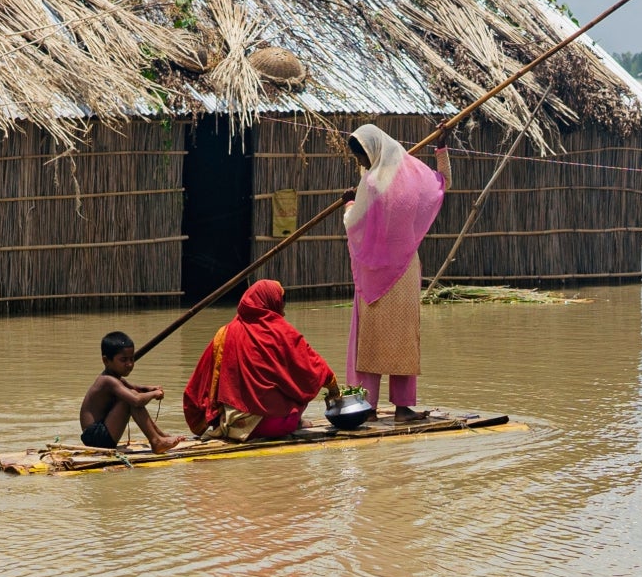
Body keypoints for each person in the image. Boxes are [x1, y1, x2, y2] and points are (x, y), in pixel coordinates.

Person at [344, 123, 449, 420]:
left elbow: (354, 225)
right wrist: (441, 150)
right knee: (403, 337)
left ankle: (368, 407)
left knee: (370, 339)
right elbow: (444, 182)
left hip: (376, 272)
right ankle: (402, 407)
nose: (362, 163)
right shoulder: (413, 175)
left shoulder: (373, 183)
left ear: (373, 151)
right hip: (405, 269)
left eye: (362, 157)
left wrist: (349, 203)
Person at [182, 279, 343, 441]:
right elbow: (316, 369)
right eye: (281, 307)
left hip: (234, 425)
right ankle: (297, 421)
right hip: (277, 425)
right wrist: (334, 392)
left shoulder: (224, 334)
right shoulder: (283, 332)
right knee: (298, 388)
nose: (283, 313)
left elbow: (196, 388)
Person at [79, 331, 180, 453]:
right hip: (96, 437)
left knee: (132, 394)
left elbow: (134, 387)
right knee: (130, 400)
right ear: (106, 361)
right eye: (123, 360)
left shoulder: (115, 378)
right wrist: (153, 394)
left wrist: (149, 388)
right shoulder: (107, 381)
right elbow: (136, 400)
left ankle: (159, 436)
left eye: (132, 359)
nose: (130, 364)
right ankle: (156, 440)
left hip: (99, 434)